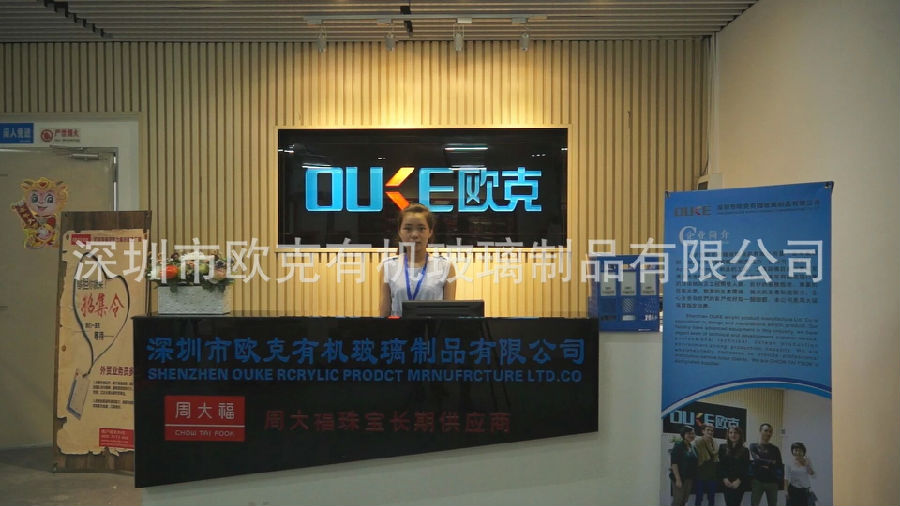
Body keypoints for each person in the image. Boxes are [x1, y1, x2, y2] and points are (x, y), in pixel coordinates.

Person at [379, 203, 456, 317]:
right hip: (398, 328)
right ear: (400, 232)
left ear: (430, 232)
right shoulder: (388, 266)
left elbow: (449, 316)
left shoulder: (445, 266)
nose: (415, 234)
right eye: (408, 229)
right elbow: (384, 314)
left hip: (433, 328)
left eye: (421, 229)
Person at [749, 423, 783, 506]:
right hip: (758, 481)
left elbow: (778, 464)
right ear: (760, 431)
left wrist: (762, 463)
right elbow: (757, 460)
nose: (768, 433)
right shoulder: (753, 446)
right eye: (766, 430)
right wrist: (771, 462)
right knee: (754, 504)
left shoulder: (775, 449)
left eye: (770, 431)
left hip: (772, 482)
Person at [718, 426, 750, 506]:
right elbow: (721, 465)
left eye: (736, 433)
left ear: (740, 435)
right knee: (728, 503)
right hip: (726, 482)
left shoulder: (745, 450)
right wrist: (725, 479)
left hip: (739, 483)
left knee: (736, 504)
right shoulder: (722, 447)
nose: (733, 435)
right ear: (728, 434)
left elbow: (745, 467)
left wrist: (739, 480)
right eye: (731, 432)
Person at [670, 425, 699, 506]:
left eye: (693, 433)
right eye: (689, 433)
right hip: (679, 478)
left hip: (689, 478)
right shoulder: (678, 446)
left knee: (684, 500)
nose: (691, 435)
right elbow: (674, 463)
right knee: (678, 500)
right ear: (683, 434)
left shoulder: (693, 447)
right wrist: (678, 479)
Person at [693, 423, 719, 506]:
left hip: (712, 476)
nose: (710, 432)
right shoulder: (698, 442)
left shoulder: (715, 442)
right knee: (699, 498)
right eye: (708, 430)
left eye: (712, 430)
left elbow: (716, 457)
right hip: (700, 476)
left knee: (711, 498)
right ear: (703, 431)